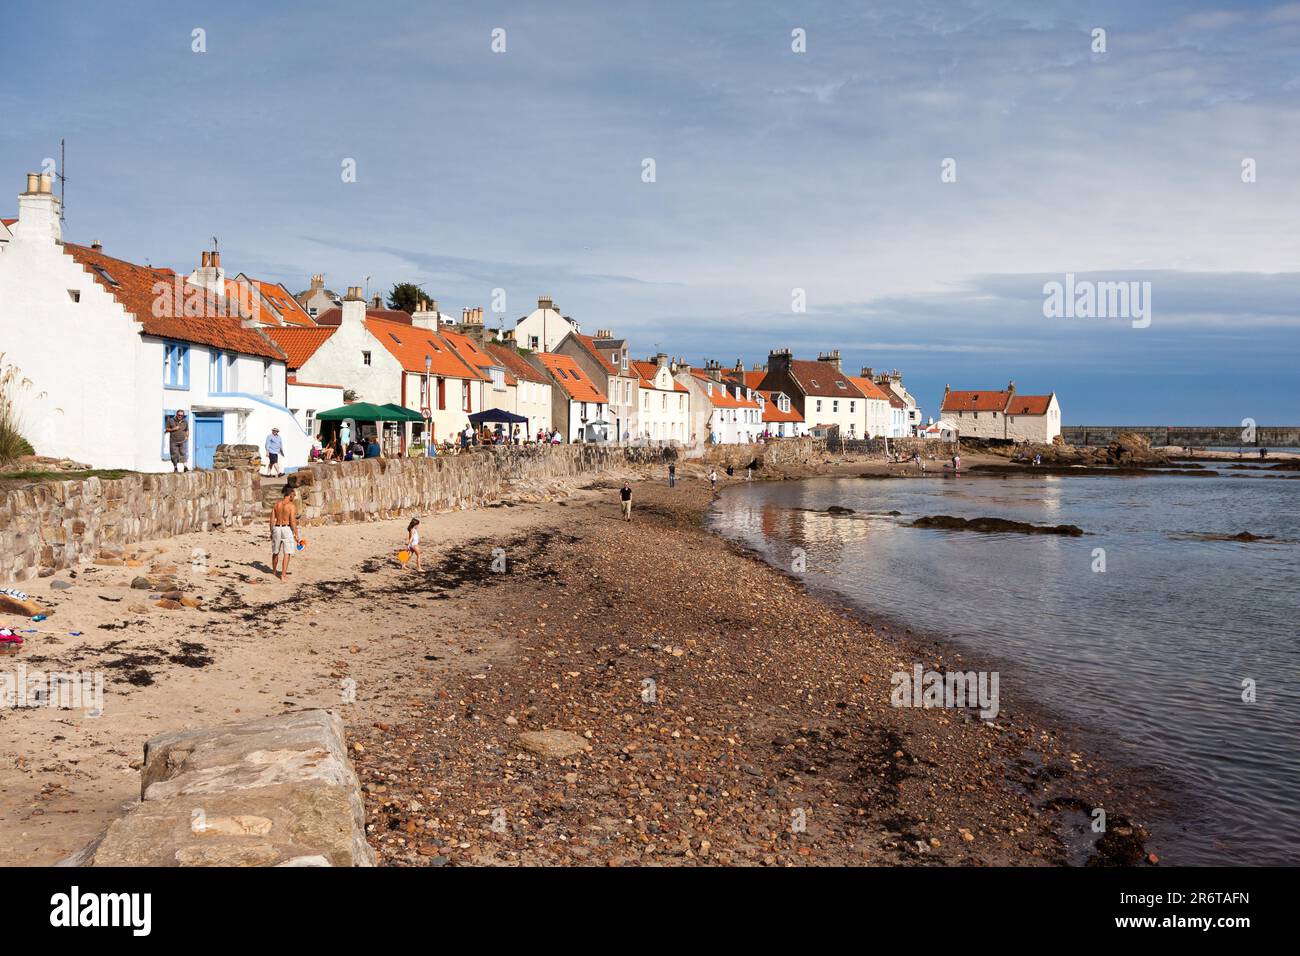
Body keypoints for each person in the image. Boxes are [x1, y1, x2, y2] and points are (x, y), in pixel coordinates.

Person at [269, 486, 300, 581]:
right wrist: (296, 534)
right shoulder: (291, 506)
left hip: (277, 528)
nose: (294, 497)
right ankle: (283, 575)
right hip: (286, 529)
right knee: (287, 552)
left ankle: (274, 571)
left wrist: (271, 532)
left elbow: (271, 520)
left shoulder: (276, 505)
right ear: (290, 494)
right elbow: (293, 521)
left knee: (275, 551)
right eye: (294, 495)